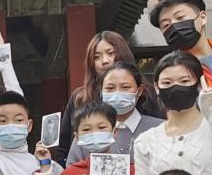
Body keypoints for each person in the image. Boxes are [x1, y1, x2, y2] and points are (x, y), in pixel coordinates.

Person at [53, 32, 161, 164]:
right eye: (97, 57)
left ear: (138, 91)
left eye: (110, 53)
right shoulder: (80, 98)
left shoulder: (148, 97)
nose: (105, 61)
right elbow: (65, 148)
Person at [64, 62, 163, 164]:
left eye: (125, 87)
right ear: (101, 91)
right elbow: (72, 170)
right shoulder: (87, 131)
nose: (117, 93)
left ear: (139, 91)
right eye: (110, 88)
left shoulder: (161, 129)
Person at [58, 101, 123, 175]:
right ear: (77, 136)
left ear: (114, 132)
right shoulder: (69, 174)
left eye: (101, 127)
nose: (94, 134)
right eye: (86, 129)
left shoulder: (129, 170)